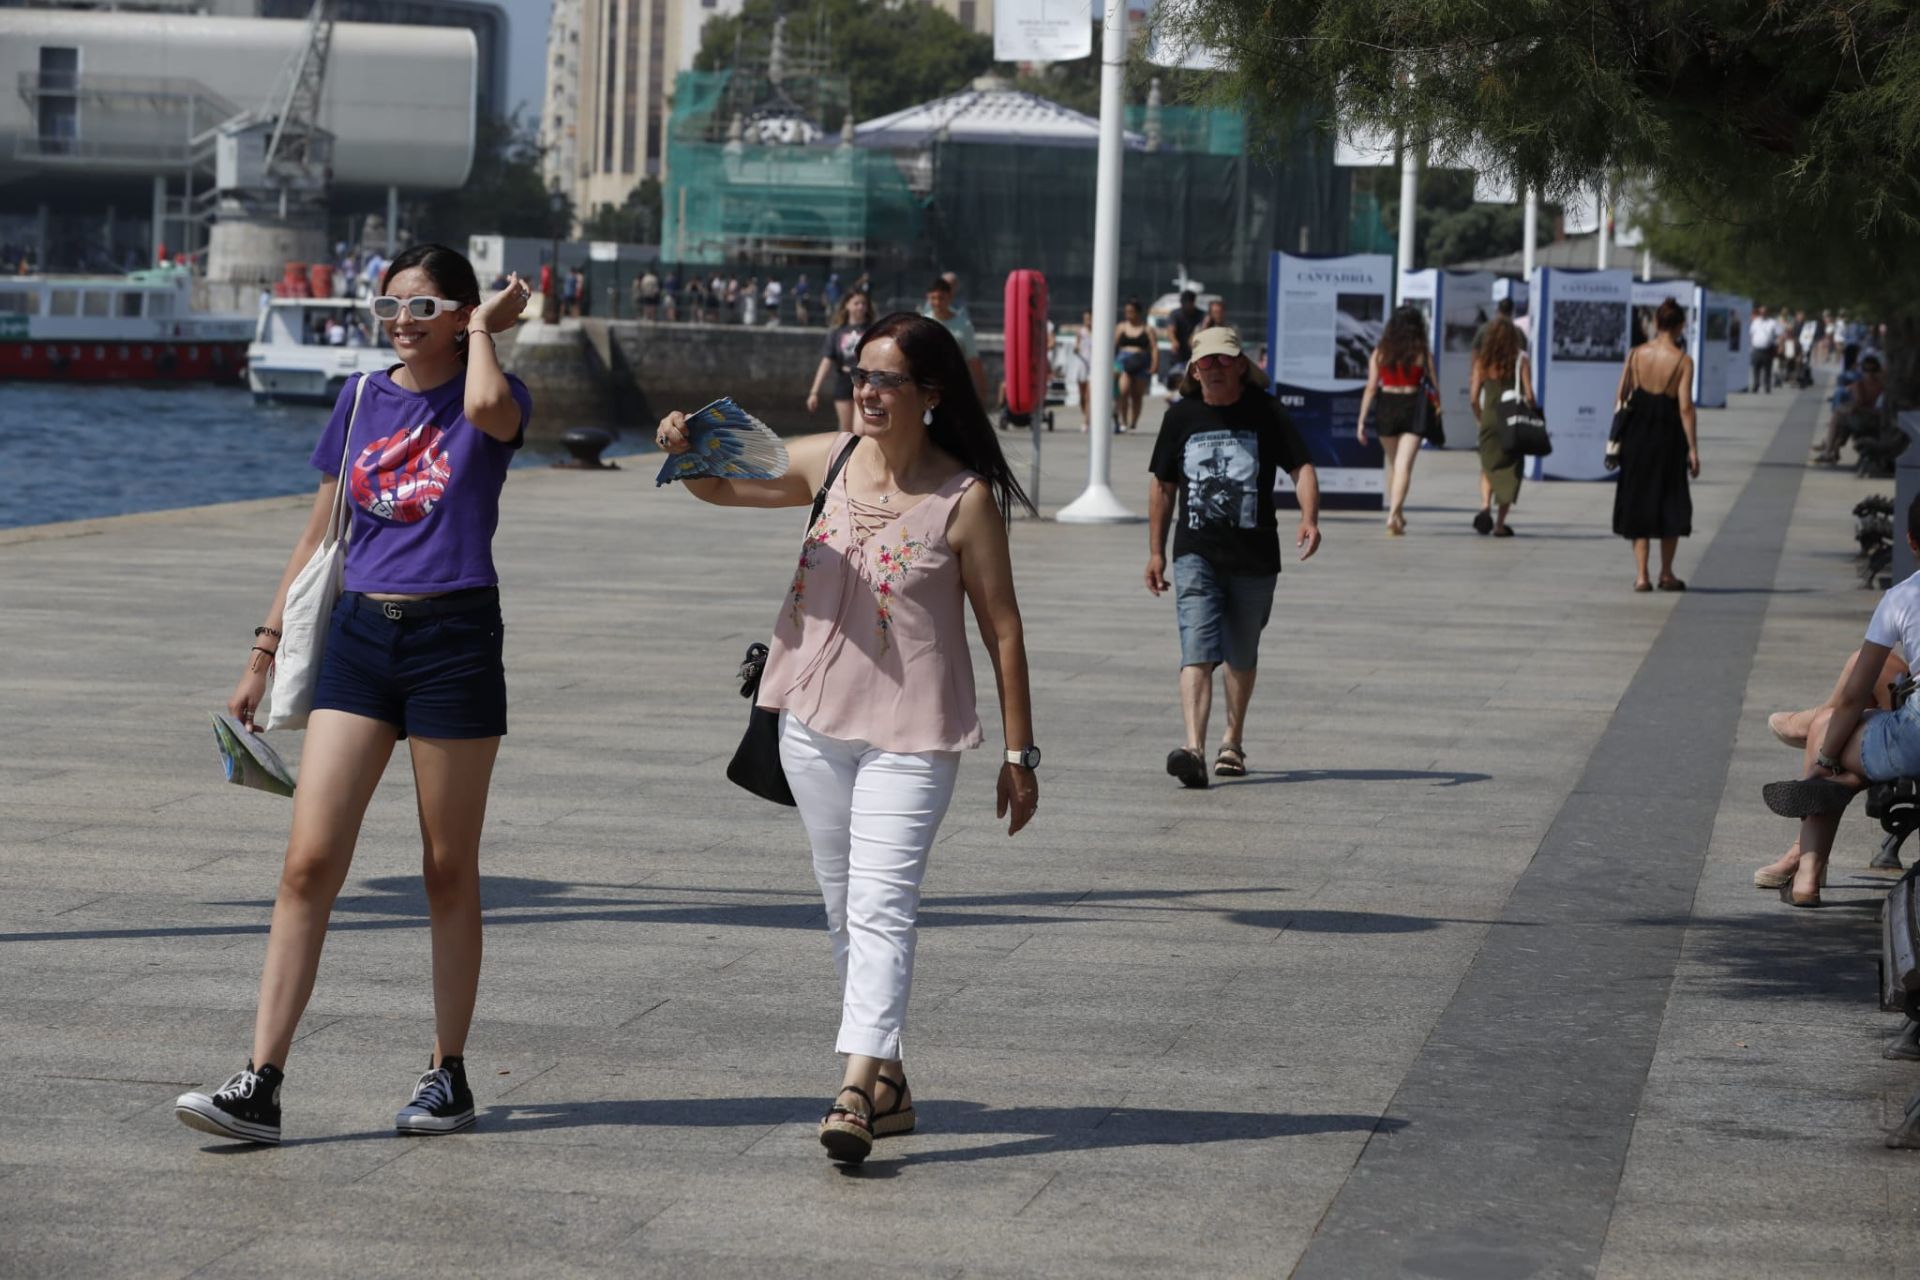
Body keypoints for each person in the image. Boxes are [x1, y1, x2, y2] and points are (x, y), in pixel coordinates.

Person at [654, 311, 1040, 1165]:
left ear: (930, 395)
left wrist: (1020, 754)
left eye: (886, 379)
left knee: (881, 907)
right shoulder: (827, 458)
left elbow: (1002, 629)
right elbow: (719, 488)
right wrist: (684, 447)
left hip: (915, 734)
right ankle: (891, 1080)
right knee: (844, 908)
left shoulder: (965, 499)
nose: (864, 389)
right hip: (813, 723)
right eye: (858, 372)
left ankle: (856, 1089)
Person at [173, 245, 534, 1145]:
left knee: (447, 867)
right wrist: (263, 650)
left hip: (455, 639)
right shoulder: (362, 397)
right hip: (361, 639)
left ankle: (449, 1073)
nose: (401, 324)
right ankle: (260, 1081)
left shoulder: (495, 396)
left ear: (460, 317)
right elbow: (318, 530)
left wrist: (485, 329)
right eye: (389, 308)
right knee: (308, 862)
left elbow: (489, 406)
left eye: (423, 309)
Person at [1146, 327, 1321, 787]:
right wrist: (1155, 552)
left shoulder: (1266, 412)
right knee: (1197, 650)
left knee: (1241, 653)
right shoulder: (1181, 416)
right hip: (1195, 553)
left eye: (1225, 360)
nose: (1216, 369)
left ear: (1241, 364)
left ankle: (1232, 741)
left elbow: (1300, 466)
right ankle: (1193, 749)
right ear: (1194, 369)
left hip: (1256, 555)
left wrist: (1309, 516)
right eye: (1207, 362)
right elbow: (1163, 486)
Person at [1760, 498, 1920, 906]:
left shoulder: (1903, 597)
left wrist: (1826, 760)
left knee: (1828, 725)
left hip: (1915, 737)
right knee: (1857, 676)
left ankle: (1807, 872)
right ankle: (1833, 783)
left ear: (1911, 541)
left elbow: (1851, 699)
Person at [1754, 645, 1911, 889]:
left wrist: (1825, 760)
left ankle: (1807, 861)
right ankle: (1807, 857)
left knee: (1828, 729)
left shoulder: (1902, 605)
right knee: (1863, 669)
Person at [1613, 297, 1699, 592]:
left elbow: (1620, 396)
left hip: (1637, 436)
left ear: (1658, 323)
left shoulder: (1636, 354)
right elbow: (1685, 407)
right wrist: (1693, 449)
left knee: (1638, 500)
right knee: (1669, 501)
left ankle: (1641, 575)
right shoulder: (1683, 361)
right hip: (1668, 438)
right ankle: (1666, 572)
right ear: (1679, 326)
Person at [1353, 306, 1436, 536]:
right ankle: (1393, 515)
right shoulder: (1422, 351)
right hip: (1412, 408)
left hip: (1386, 408)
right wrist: (1439, 410)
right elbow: (1434, 385)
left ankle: (1397, 515)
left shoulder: (1381, 351)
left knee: (1394, 465)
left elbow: (1371, 388)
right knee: (1403, 466)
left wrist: (1361, 421)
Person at [1467, 314, 1533, 537]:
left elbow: (1474, 397)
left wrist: (1480, 417)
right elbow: (1530, 395)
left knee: (1488, 465)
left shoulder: (1482, 363)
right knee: (1512, 468)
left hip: (1489, 419)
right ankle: (1500, 524)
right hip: (1511, 420)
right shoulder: (1521, 359)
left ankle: (1485, 506)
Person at [808, 289, 876, 431]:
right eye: (856, 303)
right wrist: (814, 392)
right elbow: (826, 361)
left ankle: (863, 452)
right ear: (847, 305)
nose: (861, 307)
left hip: (865, 381)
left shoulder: (873, 330)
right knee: (846, 431)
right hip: (844, 380)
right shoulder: (837, 332)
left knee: (861, 429)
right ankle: (846, 454)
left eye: (863, 303)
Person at [921, 277, 989, 401]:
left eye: (941, 298)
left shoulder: (963, 325)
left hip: (954, 386)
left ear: (950, 297)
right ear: (928, 298)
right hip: (929, 387)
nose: (937, 303)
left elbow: (973, 359)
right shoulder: (923, 323)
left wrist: (982, 391)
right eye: (933, 298)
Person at [1814, 351, 1885, 464]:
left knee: (1839, 415)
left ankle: (1829, 450)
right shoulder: (1883, 385)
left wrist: (1845, 408)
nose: (1869, 374)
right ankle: (1833, 446)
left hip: (1867, 419)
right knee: (1842, 416)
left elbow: (1857, 405)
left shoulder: (1860, 385)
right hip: (1880, 419)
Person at [1113, 297, 1158, 432]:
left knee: (1137, 395)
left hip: (1141, 361)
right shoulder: (1121, 327)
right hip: (1123, 361)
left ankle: (1133, 422)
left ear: (1138, 312)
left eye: (1131, 311)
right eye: (1127, 311)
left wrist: (1155, 364)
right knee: (1124, 391)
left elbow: (1154, 348)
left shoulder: (1148, 329)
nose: (1128, 314)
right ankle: (1123, 421)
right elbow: (1113, 345)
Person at [1167, 289, 1204, 392]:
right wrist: (1174, 341)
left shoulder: (1201, 315)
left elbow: (1201, 329)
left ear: (1193, 303)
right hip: (1178, 353)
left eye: (1189, 303)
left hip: (1195, 352)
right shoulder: (1175, 314)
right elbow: (1171, 330)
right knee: (1177, 379)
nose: (1187, 306)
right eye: (1184, 303)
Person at [1070, 309, 1094, 430]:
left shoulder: (1098, 332)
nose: (1087, 321)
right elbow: (1076, 345)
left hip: (1093, 366)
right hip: (1082, 364)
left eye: (1089, 318)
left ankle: (1086, 422)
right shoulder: (1081, 332)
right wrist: (1076, 349)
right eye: (1085, 319)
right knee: (1081, 396)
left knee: (1088, 396)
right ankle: (1086, 415)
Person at [1748, 305, 1779, 393]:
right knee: (1756, 369)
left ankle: (1767, 386)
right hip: (1756, 348)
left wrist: (1777, 346)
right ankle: (1756, 385)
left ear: (1767, 313)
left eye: (1764, 312)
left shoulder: (1772, 322)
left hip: (1768, 349)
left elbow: (1777, 335)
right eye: (1761, 312)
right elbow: (1751, 334)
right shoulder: (1755, 322)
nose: (1763, 314)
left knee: (1767, 369)